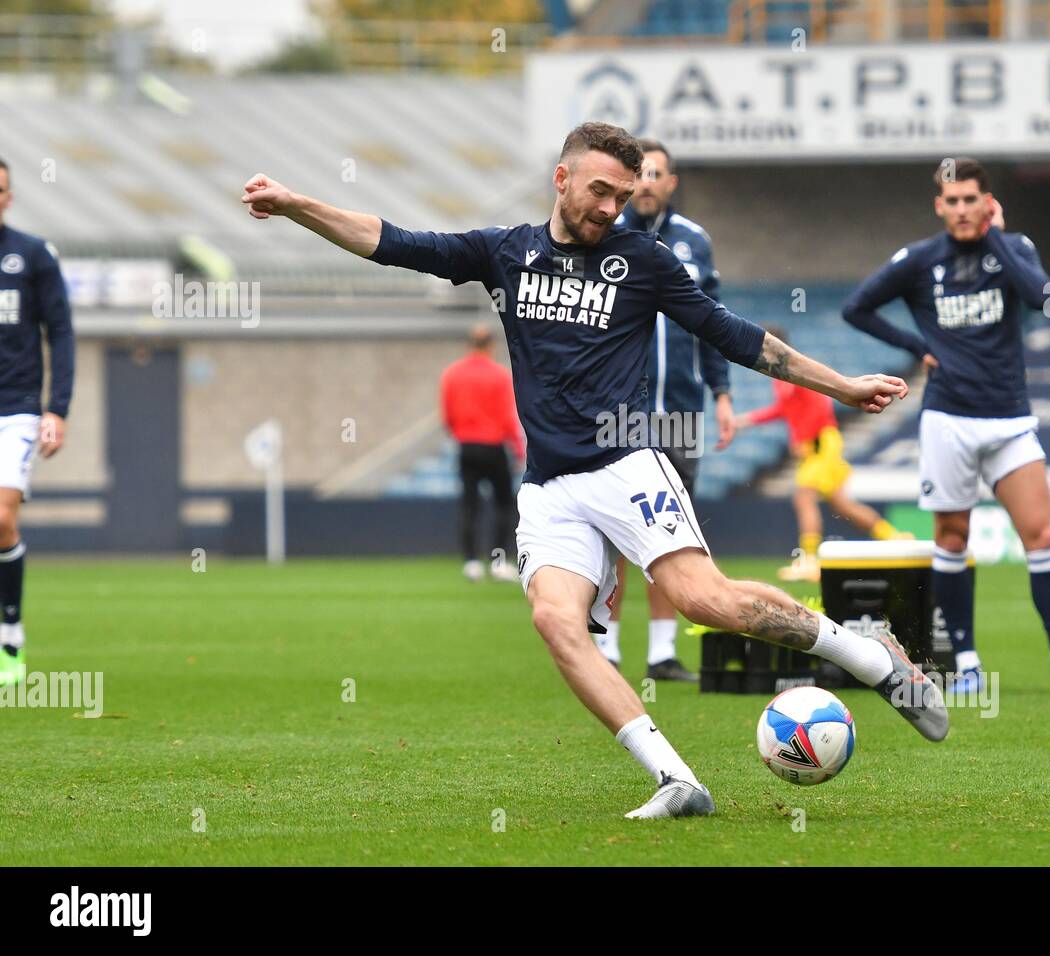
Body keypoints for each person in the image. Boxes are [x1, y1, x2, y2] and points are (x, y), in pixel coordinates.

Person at [242, 121, 948, 820]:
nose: (612, 207)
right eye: (602, 191)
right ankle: (677, 780)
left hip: (627, 466)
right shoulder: (504, 253)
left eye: (624, 195)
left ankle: (871, 659)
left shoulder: (643, 260)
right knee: (555, 621)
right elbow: (391, 242)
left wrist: (842, 387)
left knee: (706, 602)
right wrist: (298, 203)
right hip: (549, 488)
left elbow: (733, 335)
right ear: (562, 178)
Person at [841, 157, 1050, 696]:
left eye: (972, 199)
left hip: (1010, 419)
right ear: (940, 206)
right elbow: (858, 307)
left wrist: (1000, 237)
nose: (962, 209)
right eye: (953, 200)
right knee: (952, 539)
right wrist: (918, 347)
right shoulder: (919, 260)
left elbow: (1042, 298)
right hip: (948, 419)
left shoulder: (1014, 249)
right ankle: (966, 665)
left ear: (987, 203)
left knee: (1042, 535)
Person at [602, 137, 735, 682]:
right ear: (631, 180)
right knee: (612, 533)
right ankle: (605, 645)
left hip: (681, 410)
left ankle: (662, 653)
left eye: (659, 173)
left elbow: (713, 320)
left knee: (671, 532)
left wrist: (723, 393)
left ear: (671, 182)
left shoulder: (694, 242)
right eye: (643, 173)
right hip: (617, 410)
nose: (650, 182)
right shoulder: (606, 236)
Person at [733, 324, 912, 583]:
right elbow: (783, 410)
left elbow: (820, 405)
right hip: (818, 445)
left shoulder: (795, 372)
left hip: (821, 443)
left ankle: (809, 561)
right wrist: (748, 419)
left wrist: (805, 439)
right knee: (844, 505)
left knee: (803, 497)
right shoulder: (780, 380)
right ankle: (896, 539)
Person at [0, 156, 75, 685]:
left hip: (17, 408)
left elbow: (62, 331)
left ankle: (10, 633)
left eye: (2, 190)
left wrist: (58, 409)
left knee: (1, 518)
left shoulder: (31, 255)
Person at [439, 322, 525, 582]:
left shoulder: (452, 374)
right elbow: (508, 417)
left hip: (466, 446)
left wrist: (461, 433)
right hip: (494, 446)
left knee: (470, 505)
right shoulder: (499, 375)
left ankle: (471, 563)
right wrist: (519, 449)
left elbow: (448, 415)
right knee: (504, 505)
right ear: (491, 344)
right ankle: (499, 563)